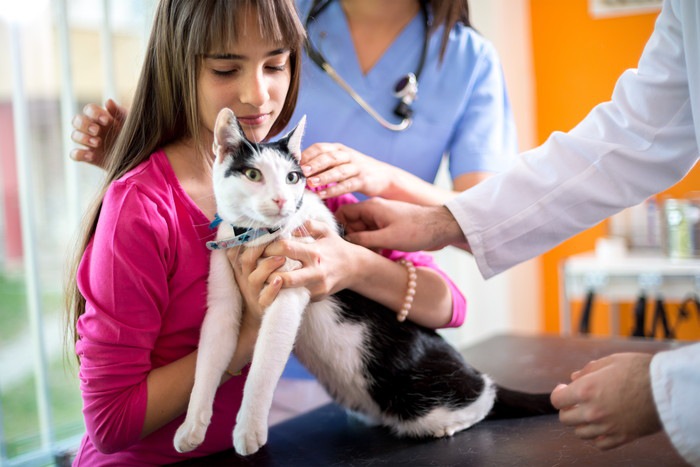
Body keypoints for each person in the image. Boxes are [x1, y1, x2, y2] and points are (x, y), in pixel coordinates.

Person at [70, 0, 514, 422]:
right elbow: (115, 415)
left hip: (362, 373)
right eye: (228, 68)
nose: (257, 95)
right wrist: (140, 167)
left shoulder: (311, 191)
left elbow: (486, 229)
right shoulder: (272, 12)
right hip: (250, 392)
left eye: (276, 65)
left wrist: (359, 241)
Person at [333, 1, 700, 464]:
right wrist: (438, 221)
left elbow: (450, 300)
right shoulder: (278, 21)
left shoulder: (468, 58)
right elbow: (636, 134)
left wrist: (668, 387)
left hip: (387, 375)